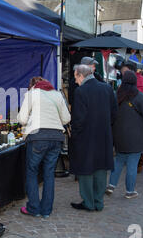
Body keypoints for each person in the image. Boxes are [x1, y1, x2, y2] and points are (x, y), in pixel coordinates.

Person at [17, 77, 71, 218]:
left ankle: (34, 208)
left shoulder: (31, 94)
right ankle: (46, 210)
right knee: (49, 173)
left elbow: (22, 119)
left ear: (32, 85)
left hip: (37, 137)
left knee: (32, 171)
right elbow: (66, 119)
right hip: (56, 138)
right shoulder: (57, 94)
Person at [70, 64, 117, 211]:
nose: (75, 80)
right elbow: (114, 113)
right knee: (100, 169)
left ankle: (88, 202)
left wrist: (75, 135)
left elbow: (78, 118)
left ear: (80, 75)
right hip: (104, 135)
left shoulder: (81, 91)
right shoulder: (107, 88)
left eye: (75, 77)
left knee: (85, 170)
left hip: (86, 135)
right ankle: (98, 201)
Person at [106, 71, 143, 199]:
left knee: (118, 161)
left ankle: (111, 185)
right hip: (136, 137)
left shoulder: (116, 96)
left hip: (119, 136)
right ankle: (130, 191)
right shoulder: (140, 97)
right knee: (132, 164)